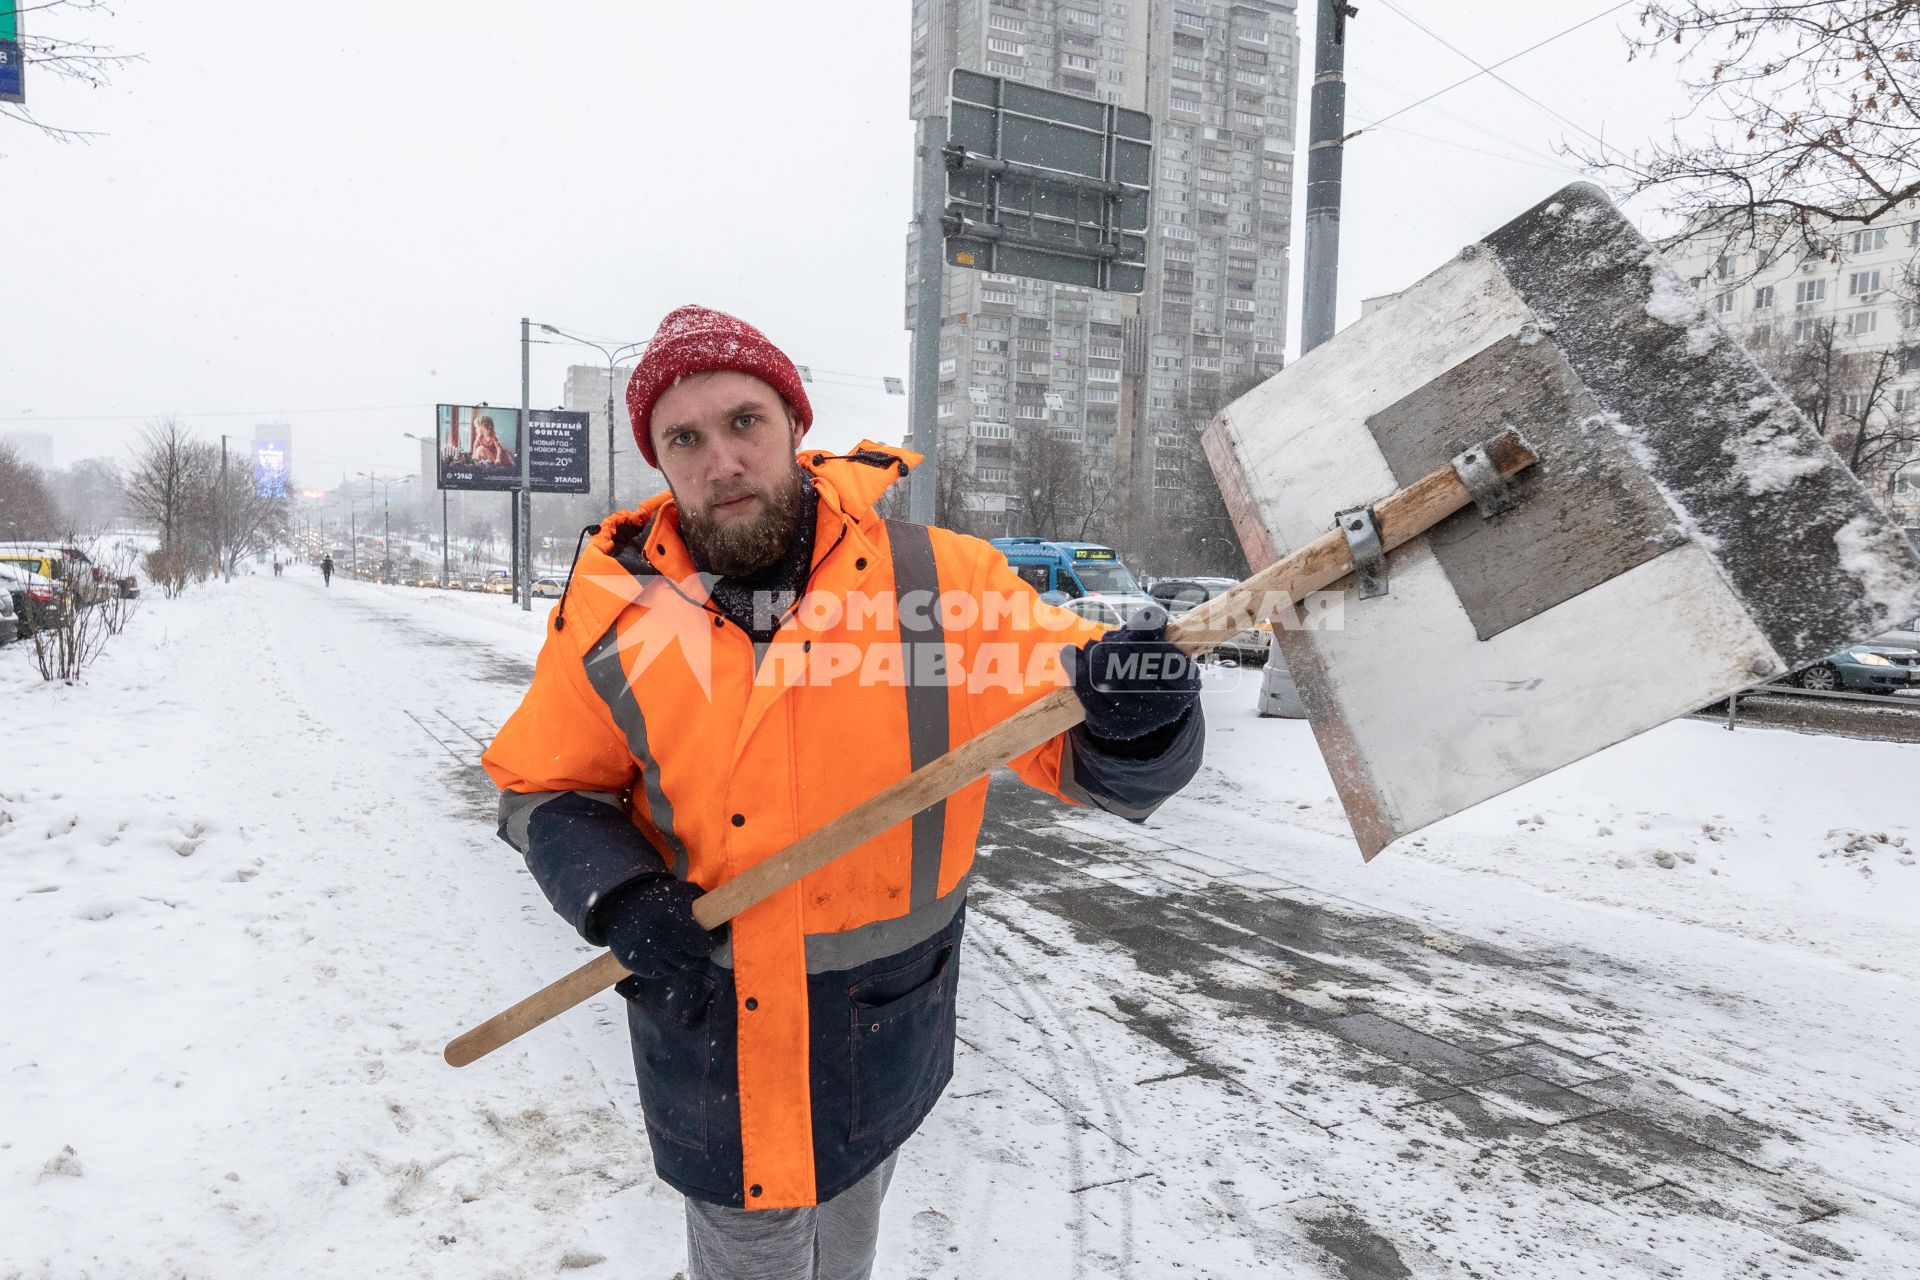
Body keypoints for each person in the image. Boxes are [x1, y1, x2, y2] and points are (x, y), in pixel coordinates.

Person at [481, 305, 1202, 1280]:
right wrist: (619, 894)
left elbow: (1075, 735)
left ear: (793, 423)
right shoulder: (618, 607)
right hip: (712, 1042)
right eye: (683, 437)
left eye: (743, 422)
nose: (720, 458)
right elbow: (546, 782)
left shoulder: (937, 585)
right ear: (659, 460)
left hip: (872, 1036)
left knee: (845, 1253)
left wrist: (1138, 715)